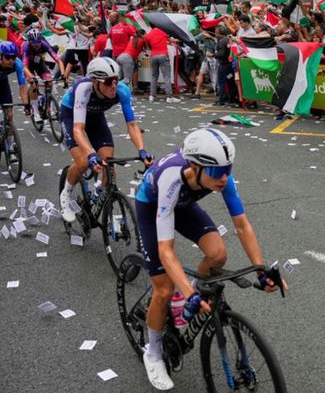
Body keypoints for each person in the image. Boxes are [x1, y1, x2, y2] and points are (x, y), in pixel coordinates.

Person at [134, 128, 281, 390]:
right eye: (217, 171)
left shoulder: (220, 177)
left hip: (184, 204)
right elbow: (166, 250)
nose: (224, 177)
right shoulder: (172, 177)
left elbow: (242, 225)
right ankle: (153, 353)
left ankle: (184, 300)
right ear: (195, 166)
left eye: (228, 169)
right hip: (153, 206)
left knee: (217, 254)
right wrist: (186, 291)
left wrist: (261, 270)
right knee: (164, 288)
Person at [58, 57, 152, 223]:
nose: (113, 85)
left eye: (116, 80)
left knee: (108, 166)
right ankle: (65, 194)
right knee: (83, 162)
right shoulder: (83, 89)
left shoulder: (122, 90)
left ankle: (98, 193)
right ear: (95, 81)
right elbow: (78, 129)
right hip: (71, 115)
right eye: (108, 82)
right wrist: (90, 154)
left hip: (95, 117)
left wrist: (142, 150)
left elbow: (132, 125)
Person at [0, 42, 30, 158]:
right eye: (7, 57)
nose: (11, 60)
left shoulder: (17, 63)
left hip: (2, 82)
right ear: (0, 56)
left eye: (13, 57)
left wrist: (26, 105)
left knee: (10, 114)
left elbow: (22, 86)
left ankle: (10, 146)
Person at [22, 28, 64, 123]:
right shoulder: (26, 46)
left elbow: (59, 60)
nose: (37, 46)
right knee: (33, 84)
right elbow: (24, 67)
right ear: (30, 42)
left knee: (49, 82)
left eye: (38, 43)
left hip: (39, 63)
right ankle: (36, 112)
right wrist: (32, 78)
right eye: (34, 44)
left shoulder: (44, 44)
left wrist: (63, 74)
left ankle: (49, 105)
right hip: (28, 66)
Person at [145, 27, 173, 102]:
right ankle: (169, 97)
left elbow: (148, 46)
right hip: (163, 55)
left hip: (153, 56)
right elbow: (170, 40)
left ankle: (152, 95)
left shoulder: (148, 35)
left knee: (154, 76)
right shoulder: (163, 32)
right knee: (166, 76)